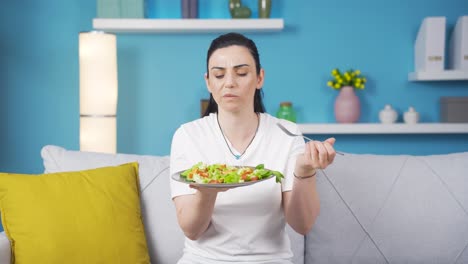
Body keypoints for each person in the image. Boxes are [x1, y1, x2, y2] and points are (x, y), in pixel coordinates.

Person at [169, 32, 337, 264]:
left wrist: (304, 170)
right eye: (219, 75)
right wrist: (207, 192)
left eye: (241, 73)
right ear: (208, 82)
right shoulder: (188, 136)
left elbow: (302, 224)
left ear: (259, 78)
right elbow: (192, 231)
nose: (229, 82)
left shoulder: (286, 134)